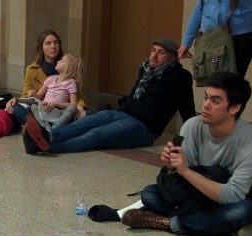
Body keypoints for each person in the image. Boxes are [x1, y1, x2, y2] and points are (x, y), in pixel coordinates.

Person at [123, 71, 252, 236]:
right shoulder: (192, 126)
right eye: (206, 98)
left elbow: (233, 195)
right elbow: (183, 181)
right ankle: (220, 227)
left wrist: (184, 170)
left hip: (241, 197)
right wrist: (172, 167)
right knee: (150, 194)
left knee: (243, 211)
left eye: (215, 101)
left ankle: (167, 223)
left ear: (234, 108)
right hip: (202, 193)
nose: (206, 105)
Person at [23, 39, 195, 154]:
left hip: (144, 127)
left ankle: (46, 146)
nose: (154, 55)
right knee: (86, 123)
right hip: (123, 112)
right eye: (153, 50)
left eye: (161, 53)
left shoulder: (179, 77)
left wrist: (190, 139)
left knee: (95, 135)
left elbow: (187, 108)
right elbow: (135, 94)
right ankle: (48, 135)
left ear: (172, 58)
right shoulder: (146, 70)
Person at [31, 53, 82, 129]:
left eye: (62, 61)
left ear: (68, 68)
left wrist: (56, 104)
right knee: (33, 106)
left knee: (73, 108)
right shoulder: (50, 79)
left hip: (59, 111)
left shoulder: (71, 82)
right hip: (44, 109)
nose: (58, 61)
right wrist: (33, 93)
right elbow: (38, 96)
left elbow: (73, 104)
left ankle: (53, 129)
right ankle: (45, 126)